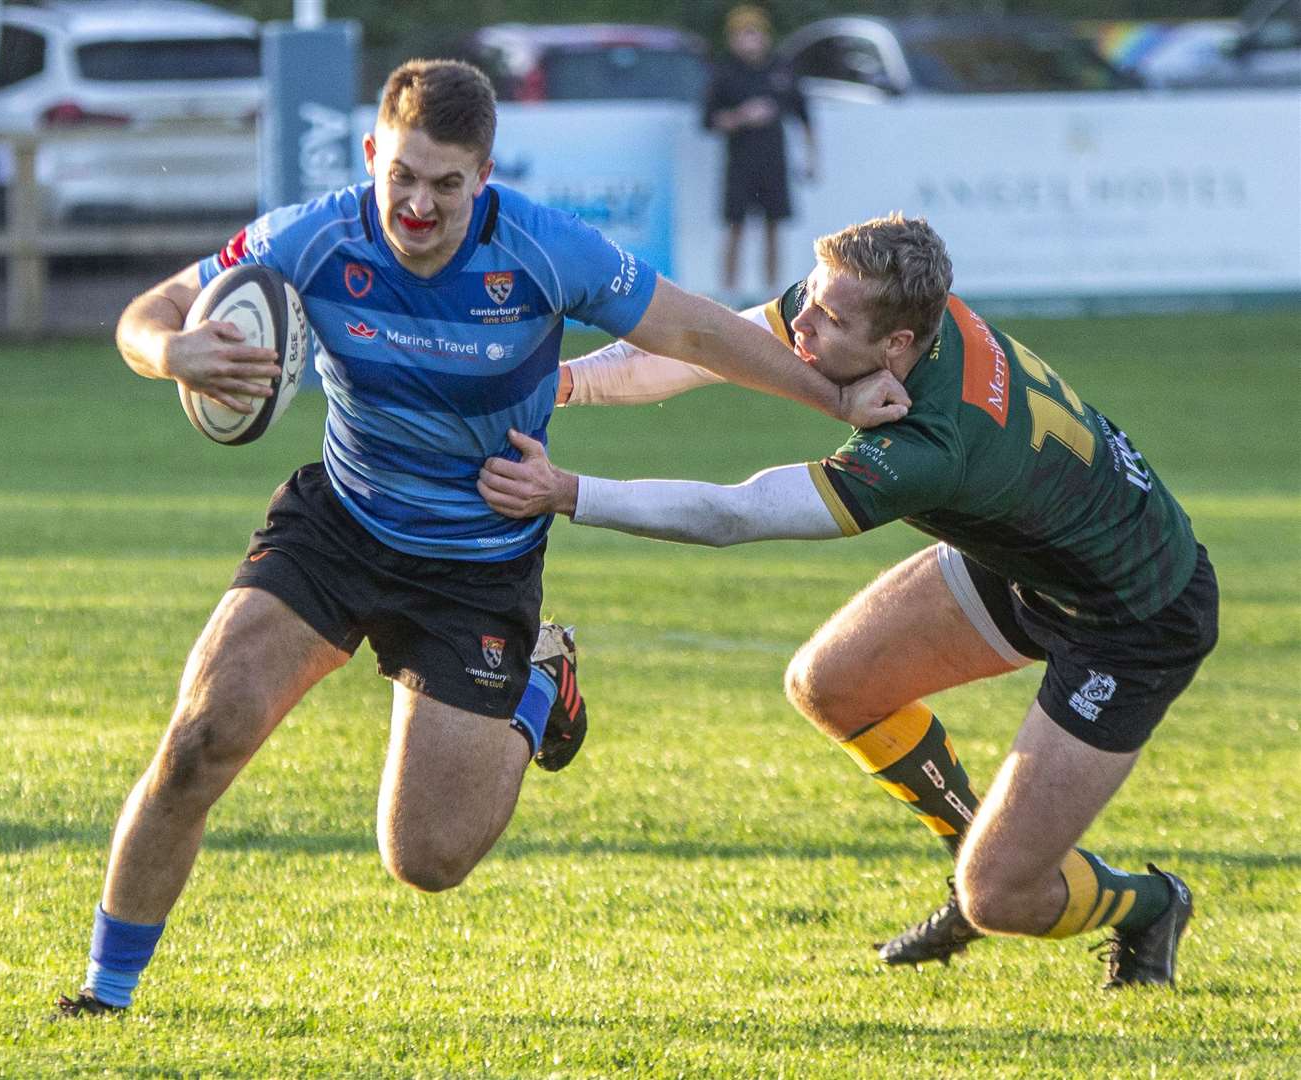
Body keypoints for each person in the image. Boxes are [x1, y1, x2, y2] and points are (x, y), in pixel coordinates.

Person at [53, 60, 911, 1018]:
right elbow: (152, 310)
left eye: (446, 184)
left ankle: (539, 681)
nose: (418, 204)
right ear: (373, 153)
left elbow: (694, 332)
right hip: (341, 521)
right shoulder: (313, 234)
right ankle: (102, 993)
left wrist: (830, 395)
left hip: (481, 558)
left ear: (485, 176)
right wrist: (171, 351)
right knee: (200, 740)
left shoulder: (547, 250)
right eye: (403, 177)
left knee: (427, 859)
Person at [480, 212, 1218, 989]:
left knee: (1000, 894)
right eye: (811, 299)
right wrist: (559, 383)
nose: (800, 320)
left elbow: (738, 514)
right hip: (1033, 556)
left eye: (827, 319)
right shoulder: (892, 307)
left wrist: (565, 493)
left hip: (1132, 616)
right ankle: (970, 847)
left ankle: (1149, 905)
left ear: (897, 346)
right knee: (830, 685)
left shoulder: (925, 447)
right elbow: (703, 352)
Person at [704, 5, 816, 299]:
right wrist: (742, 116)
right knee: (735, 228)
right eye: (743, 34)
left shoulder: (781, 69)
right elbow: (709, 121)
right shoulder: (725, 73)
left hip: (773, 162)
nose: (749, 40)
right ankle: (729, 294)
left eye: (754, 33)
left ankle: (772, 293)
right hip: (740, 164)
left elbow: (804, 115)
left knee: (773, 228)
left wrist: (811, 157)